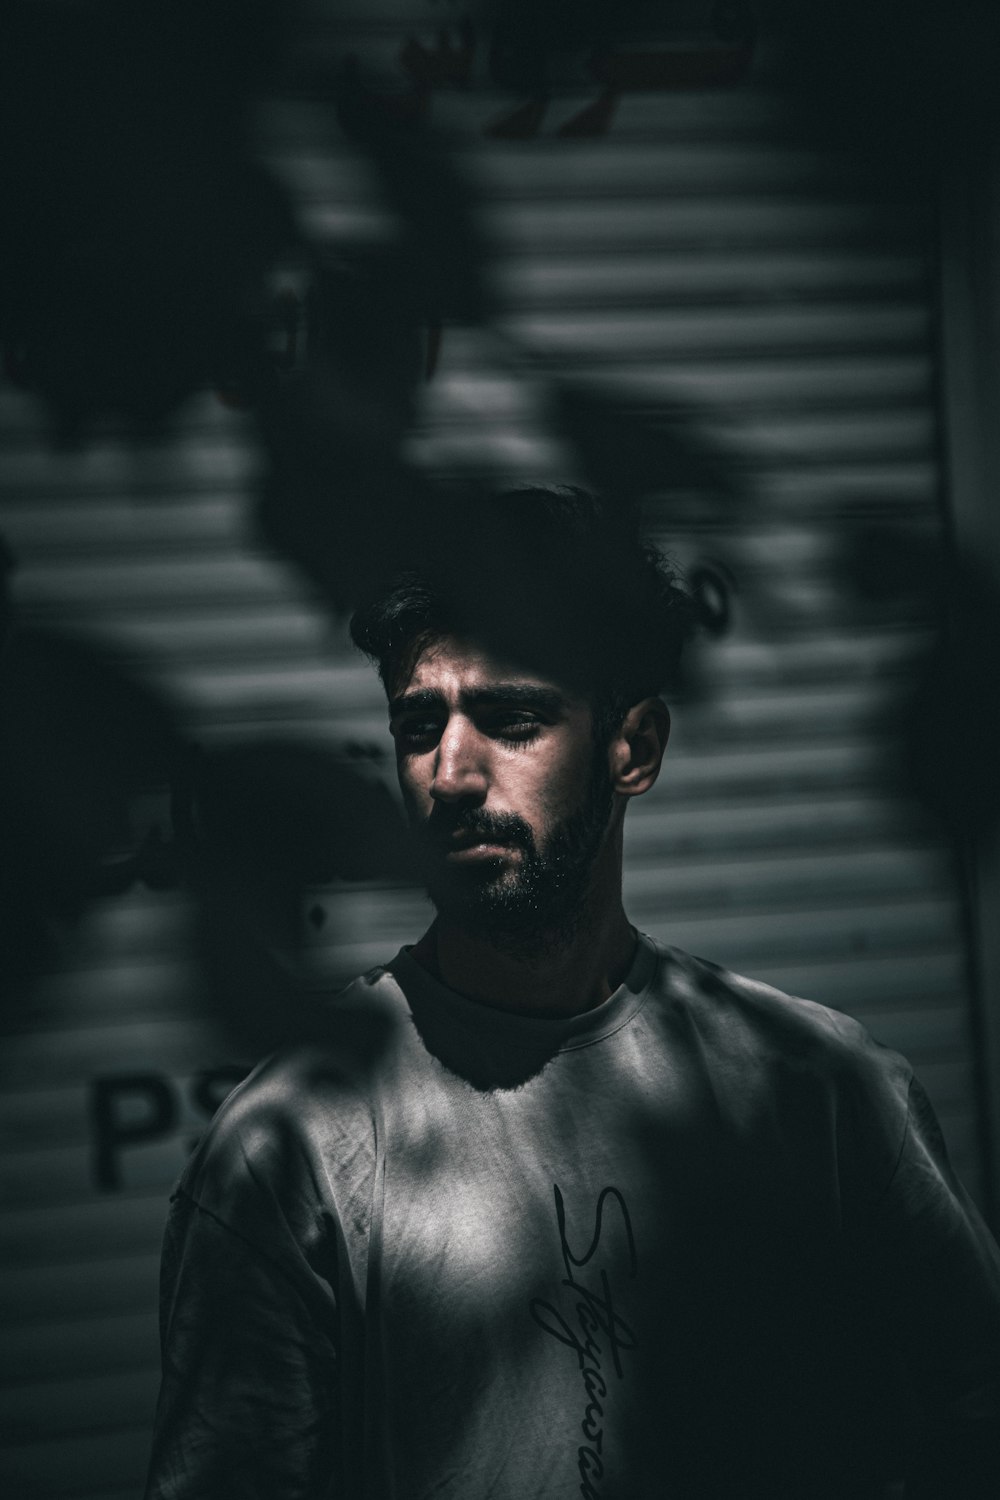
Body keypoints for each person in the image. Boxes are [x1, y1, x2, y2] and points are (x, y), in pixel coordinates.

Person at [144, 488, 1000, 1499]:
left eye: (511, 719)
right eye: (419, 725)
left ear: (632, 748)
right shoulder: (293, 1148)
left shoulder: (823, 1094)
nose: (449, 774)